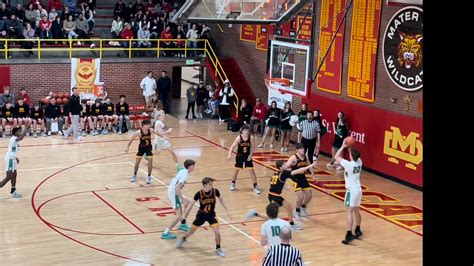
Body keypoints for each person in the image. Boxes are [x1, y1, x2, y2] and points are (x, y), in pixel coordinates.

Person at [176, 177, 231, 258]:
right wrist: (185, 216)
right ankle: (183, 238)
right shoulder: (199, 194)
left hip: (211, 215)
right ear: (205, 185)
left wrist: (227, 210)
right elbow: (191, 204)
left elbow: (221, 200)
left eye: (212, 184)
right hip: (201, 215)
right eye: (210, 184)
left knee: (217, 232)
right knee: (191, 231)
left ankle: (218, 249)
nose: (211, 186)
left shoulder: (215, 191)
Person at [335, 142, 363, 245]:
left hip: (351, 191)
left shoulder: (348, 164)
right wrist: (349, 146)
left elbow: (336, 156)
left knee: (349, 212)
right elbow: (354, 154)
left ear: (351, 156)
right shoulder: (359, 162)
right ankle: (358, 230)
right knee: (356, 210)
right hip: (359, 190)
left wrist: (343, 146)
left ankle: (349, 234)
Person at [161, 159, 196, 239]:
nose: (194, 167)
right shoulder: (184, 174)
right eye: (193, 166)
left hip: (173, 191)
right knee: (178, 215)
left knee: (189, 203)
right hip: (174, 193)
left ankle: (183, 223)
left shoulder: (183, 171)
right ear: (190, 167)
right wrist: (182, 199)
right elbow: (177, 188)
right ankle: (166, 232)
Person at [125, 119, 166, 184]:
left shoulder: (151, 130)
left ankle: (149, 176)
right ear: (144, 125)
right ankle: (134, 175)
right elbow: (131, 140)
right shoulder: (138, 132)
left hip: (148, 148)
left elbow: (158, 133)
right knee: (137, 162)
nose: (149, 126)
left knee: (150, 161)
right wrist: (127, 147)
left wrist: (164, 137)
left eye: (149, 124)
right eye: (148, 125)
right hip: (141, 148)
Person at [285, 143, 316, 221]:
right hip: (294, 179)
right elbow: (285, 167)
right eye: (301, 148)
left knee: (309, 195)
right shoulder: (293, 158)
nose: (303, 150)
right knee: (301, 196)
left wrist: (313, 175)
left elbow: (309, 166)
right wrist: (290, 172)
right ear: (297, 150)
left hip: (302, 178)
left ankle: (303, 207)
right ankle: (297, 211)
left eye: (303, 148)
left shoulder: (305, 157)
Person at [227, 125, 261, 195]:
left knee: (252, 171)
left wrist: (251, 155)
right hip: (240, 156)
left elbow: (252, 147)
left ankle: (255, 186)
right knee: (236, 171)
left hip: (247, 157)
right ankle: (232, 184)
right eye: (245, 130)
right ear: (242, 131)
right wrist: (229, 154)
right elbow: (232, 146)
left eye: (247, 130)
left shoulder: (251, 137)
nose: (246, 131)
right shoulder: (239, 138)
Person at [0, 127, 25, 198]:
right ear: (15, 133)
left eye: (21, 131)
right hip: (10, 160)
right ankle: (1, 185)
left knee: (14, 175)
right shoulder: (13, 139)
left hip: (13, 159)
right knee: (9, 176)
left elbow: (12, 150)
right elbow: (21, 138)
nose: (20, 132)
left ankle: (13, 191)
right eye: (19, 131)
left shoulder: (15, 140)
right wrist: (26, 128)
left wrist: (16, 158)